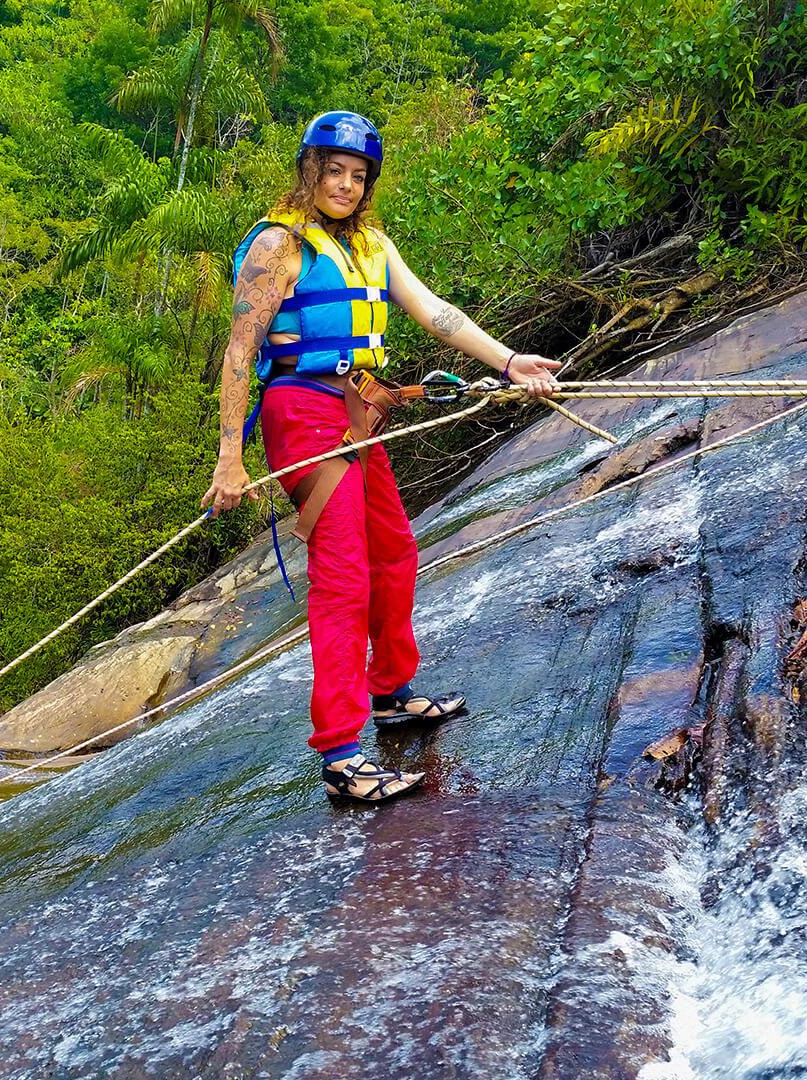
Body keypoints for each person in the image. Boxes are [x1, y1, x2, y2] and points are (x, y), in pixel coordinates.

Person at [200, 111, 561, 804]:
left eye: (356, 175)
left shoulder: (371, 245)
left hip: (361, 412)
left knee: (394, 551)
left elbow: (436, 313)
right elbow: (241, 349)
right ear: (309, 171)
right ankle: (341, 755)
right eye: (331, 170)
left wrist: (510, 361)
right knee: (342, 579)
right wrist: (229, 459)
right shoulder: (279, 245)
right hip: (302, 413)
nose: (343, 183)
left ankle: (390, 692)